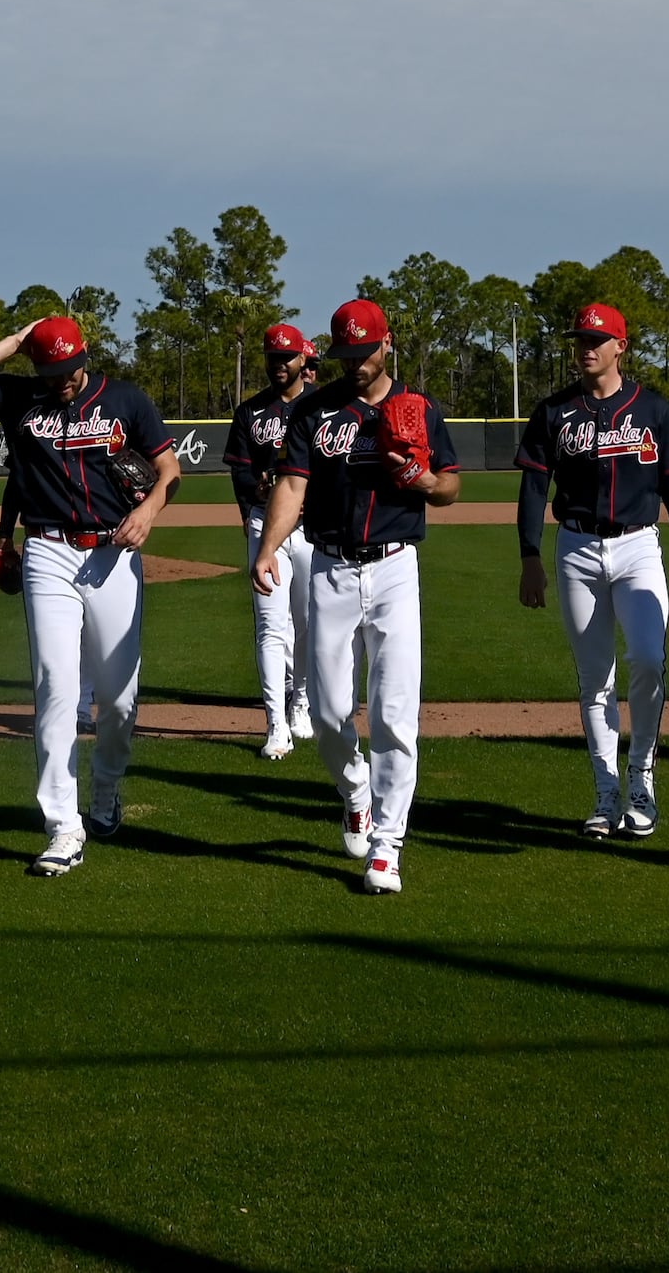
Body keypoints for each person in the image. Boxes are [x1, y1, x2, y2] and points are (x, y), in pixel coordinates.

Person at [0, 313, 178, 877]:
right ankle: (62, 826)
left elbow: (168, 468)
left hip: (114, 551)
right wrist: (16, 342)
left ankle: (106, 790)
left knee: (118, 700)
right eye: (51, 369)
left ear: (85, 355)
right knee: (55, 688)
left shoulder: (124, 399)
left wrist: (148, 509)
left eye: (69, 368)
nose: (63, 379)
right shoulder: (20, 396)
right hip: (46, 550)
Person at [252, 297, 459, 895]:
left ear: (386, 343)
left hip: (396, 569)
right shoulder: (316, 411)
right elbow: (293, 482)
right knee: (327, 713)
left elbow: (449, 486)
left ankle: (388, 846)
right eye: (345, 353)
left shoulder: (418, 407)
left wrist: (423, 482)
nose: (356, 364)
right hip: (330, 567)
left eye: (364, 351)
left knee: (395, 713)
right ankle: (356, 793)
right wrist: (268, 548)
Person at [515, 302, 669, 841]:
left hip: (638, 547)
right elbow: (534, 487)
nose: (587, 347)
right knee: (593, 679)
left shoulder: (653, 409)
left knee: (648, 658)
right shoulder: (554, 411)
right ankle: (605, 792)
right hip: (575, 548)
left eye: (598, 339)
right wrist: (529, 555)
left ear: (620, 346)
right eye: (581, 338)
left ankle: (641, 775)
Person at [224, 320, 321, 758]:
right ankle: (275, 724)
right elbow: (240, 471)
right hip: (268, 526)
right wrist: (253, 497)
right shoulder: (250, 412)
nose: (279, 363)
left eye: (287, 356)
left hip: (312, 527)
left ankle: (300, 702)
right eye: (272, 356)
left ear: (303, 359)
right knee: (269, 625)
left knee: (305, 624)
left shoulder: (323, 407)